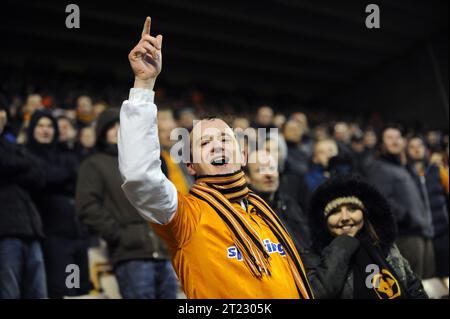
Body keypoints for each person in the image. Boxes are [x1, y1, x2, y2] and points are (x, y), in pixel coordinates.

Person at [118, 17, 313, 299]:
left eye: (224, 139)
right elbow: (139, 176)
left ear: (243, 154)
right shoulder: (185, 217)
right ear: (191, 165)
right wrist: (144, 84)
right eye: (205, 142)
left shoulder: (265, 212)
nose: (217, 145)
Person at [76, 108, 177, 299]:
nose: (118, 130)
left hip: (163, 251)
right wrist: (119, 235)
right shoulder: (94, 164)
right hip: (131, 255)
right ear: (102, 132)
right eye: (112, 126)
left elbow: (166, 198)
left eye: (122, 125)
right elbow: (87, 206)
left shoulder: (149, 161)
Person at [308, 176, 428, 299]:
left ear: (364, 213)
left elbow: (413, 288)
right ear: (323, 221)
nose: (344, 217)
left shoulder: (382, 245)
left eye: (352, 209)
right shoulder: (314, 257)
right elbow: (318, 294)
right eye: (335, 212)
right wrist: (342, 246)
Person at [26, 110, 90, 298]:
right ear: (32, 129)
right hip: (52, 235)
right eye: (40, 126)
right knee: (63, 289)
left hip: (77, 233)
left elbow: (80, 177)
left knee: (80, 289)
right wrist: (67, 174)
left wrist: (62, 176)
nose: (45, 130)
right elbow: (44, 177)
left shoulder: (65, 155)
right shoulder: (26, 153)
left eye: (49, 126)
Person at [365, 127, 435, 279]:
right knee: (413, 284)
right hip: (406, 235)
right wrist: (407, 218)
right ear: (381, 144)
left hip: (421, 232)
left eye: (398, 137)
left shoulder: (401, 166)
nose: (395, 140)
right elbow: (380, 199)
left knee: (428, 284)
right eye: (389, 137)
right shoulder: (379, 167)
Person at [0, 105, 47, 299]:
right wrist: (21, 166)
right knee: (9, 292)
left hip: (31, 229)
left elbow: (39, 174)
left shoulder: (13, 146)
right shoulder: (12, 149)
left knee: (38, 292)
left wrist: (12, 173)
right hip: (4, 232)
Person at [244, 150, 312, 251]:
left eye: (271, 168)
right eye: (260, 170)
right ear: (247, 177)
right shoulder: (245, 211)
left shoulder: (288, 203)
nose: (268, 174)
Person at [407, 136, 449, 277]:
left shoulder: (438, 171)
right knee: (424, 279)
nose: (417, 149)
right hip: (418, 236)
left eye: (420, 146)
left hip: (441, 232)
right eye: (412, 147)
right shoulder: (405, 174)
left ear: (426, 150)